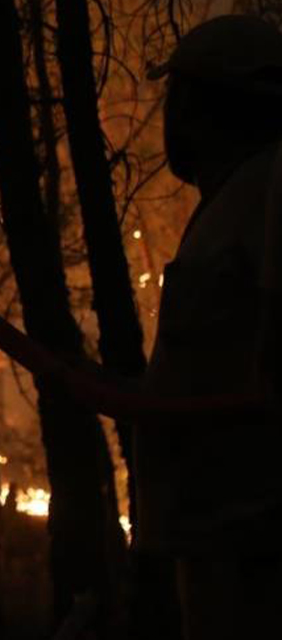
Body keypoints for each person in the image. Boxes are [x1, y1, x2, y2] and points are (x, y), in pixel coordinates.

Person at [141, 14, 282, 639]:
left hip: (256, 542)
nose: (172, 115)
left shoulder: (272, 184)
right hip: (217, 533)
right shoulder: (234, 199)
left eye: (181, 96)